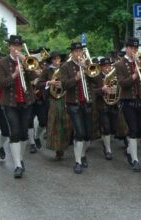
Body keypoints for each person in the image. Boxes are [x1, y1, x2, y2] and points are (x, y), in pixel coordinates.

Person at [0, 35, 38, 178]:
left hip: (26, 101)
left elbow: (34, 77)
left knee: (23, 132)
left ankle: (20, 159)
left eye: (19, 46)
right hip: (10, 103)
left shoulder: (26, 60)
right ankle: (17, 165)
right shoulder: (2, 63)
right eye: (14, 46)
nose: (16, 48)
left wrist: (25, 62)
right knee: (14, 132)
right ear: (9, 47)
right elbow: (1, 83)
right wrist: (14, 74)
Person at [115, 37, 141, 172]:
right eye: (133, 48)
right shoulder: (119, 64)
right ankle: (135, 160)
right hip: (127, 101)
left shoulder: (140, 62)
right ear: (127, 48)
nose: (135, 51)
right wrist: (134, 76)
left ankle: (130, 151)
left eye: (136, 48)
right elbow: (122, 84)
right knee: (133, 130)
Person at [60, 42, 95, 174]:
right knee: (79, 133)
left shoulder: (87, 65)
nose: (78, 54)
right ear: (72, 53)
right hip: (73, 104)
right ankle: (78, 162)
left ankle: (83, 154)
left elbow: (97, 81)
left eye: (80, 51)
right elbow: (63, 85)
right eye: (76, 51)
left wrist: (87, 69)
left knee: (87, 134)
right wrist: (76, 77)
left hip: (87, 103)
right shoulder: (66, 66)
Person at [37, 51, 71, 160]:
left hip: (65, 98)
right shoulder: (47, 70)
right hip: (53, 100)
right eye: (54, 59)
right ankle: (58, 149)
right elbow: (39, 83)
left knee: (67, 123)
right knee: (55, 124)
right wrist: (49, 82)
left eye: (58, 58)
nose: (57, 61)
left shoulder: (65, 68)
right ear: (51, 60)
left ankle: (65, 144)